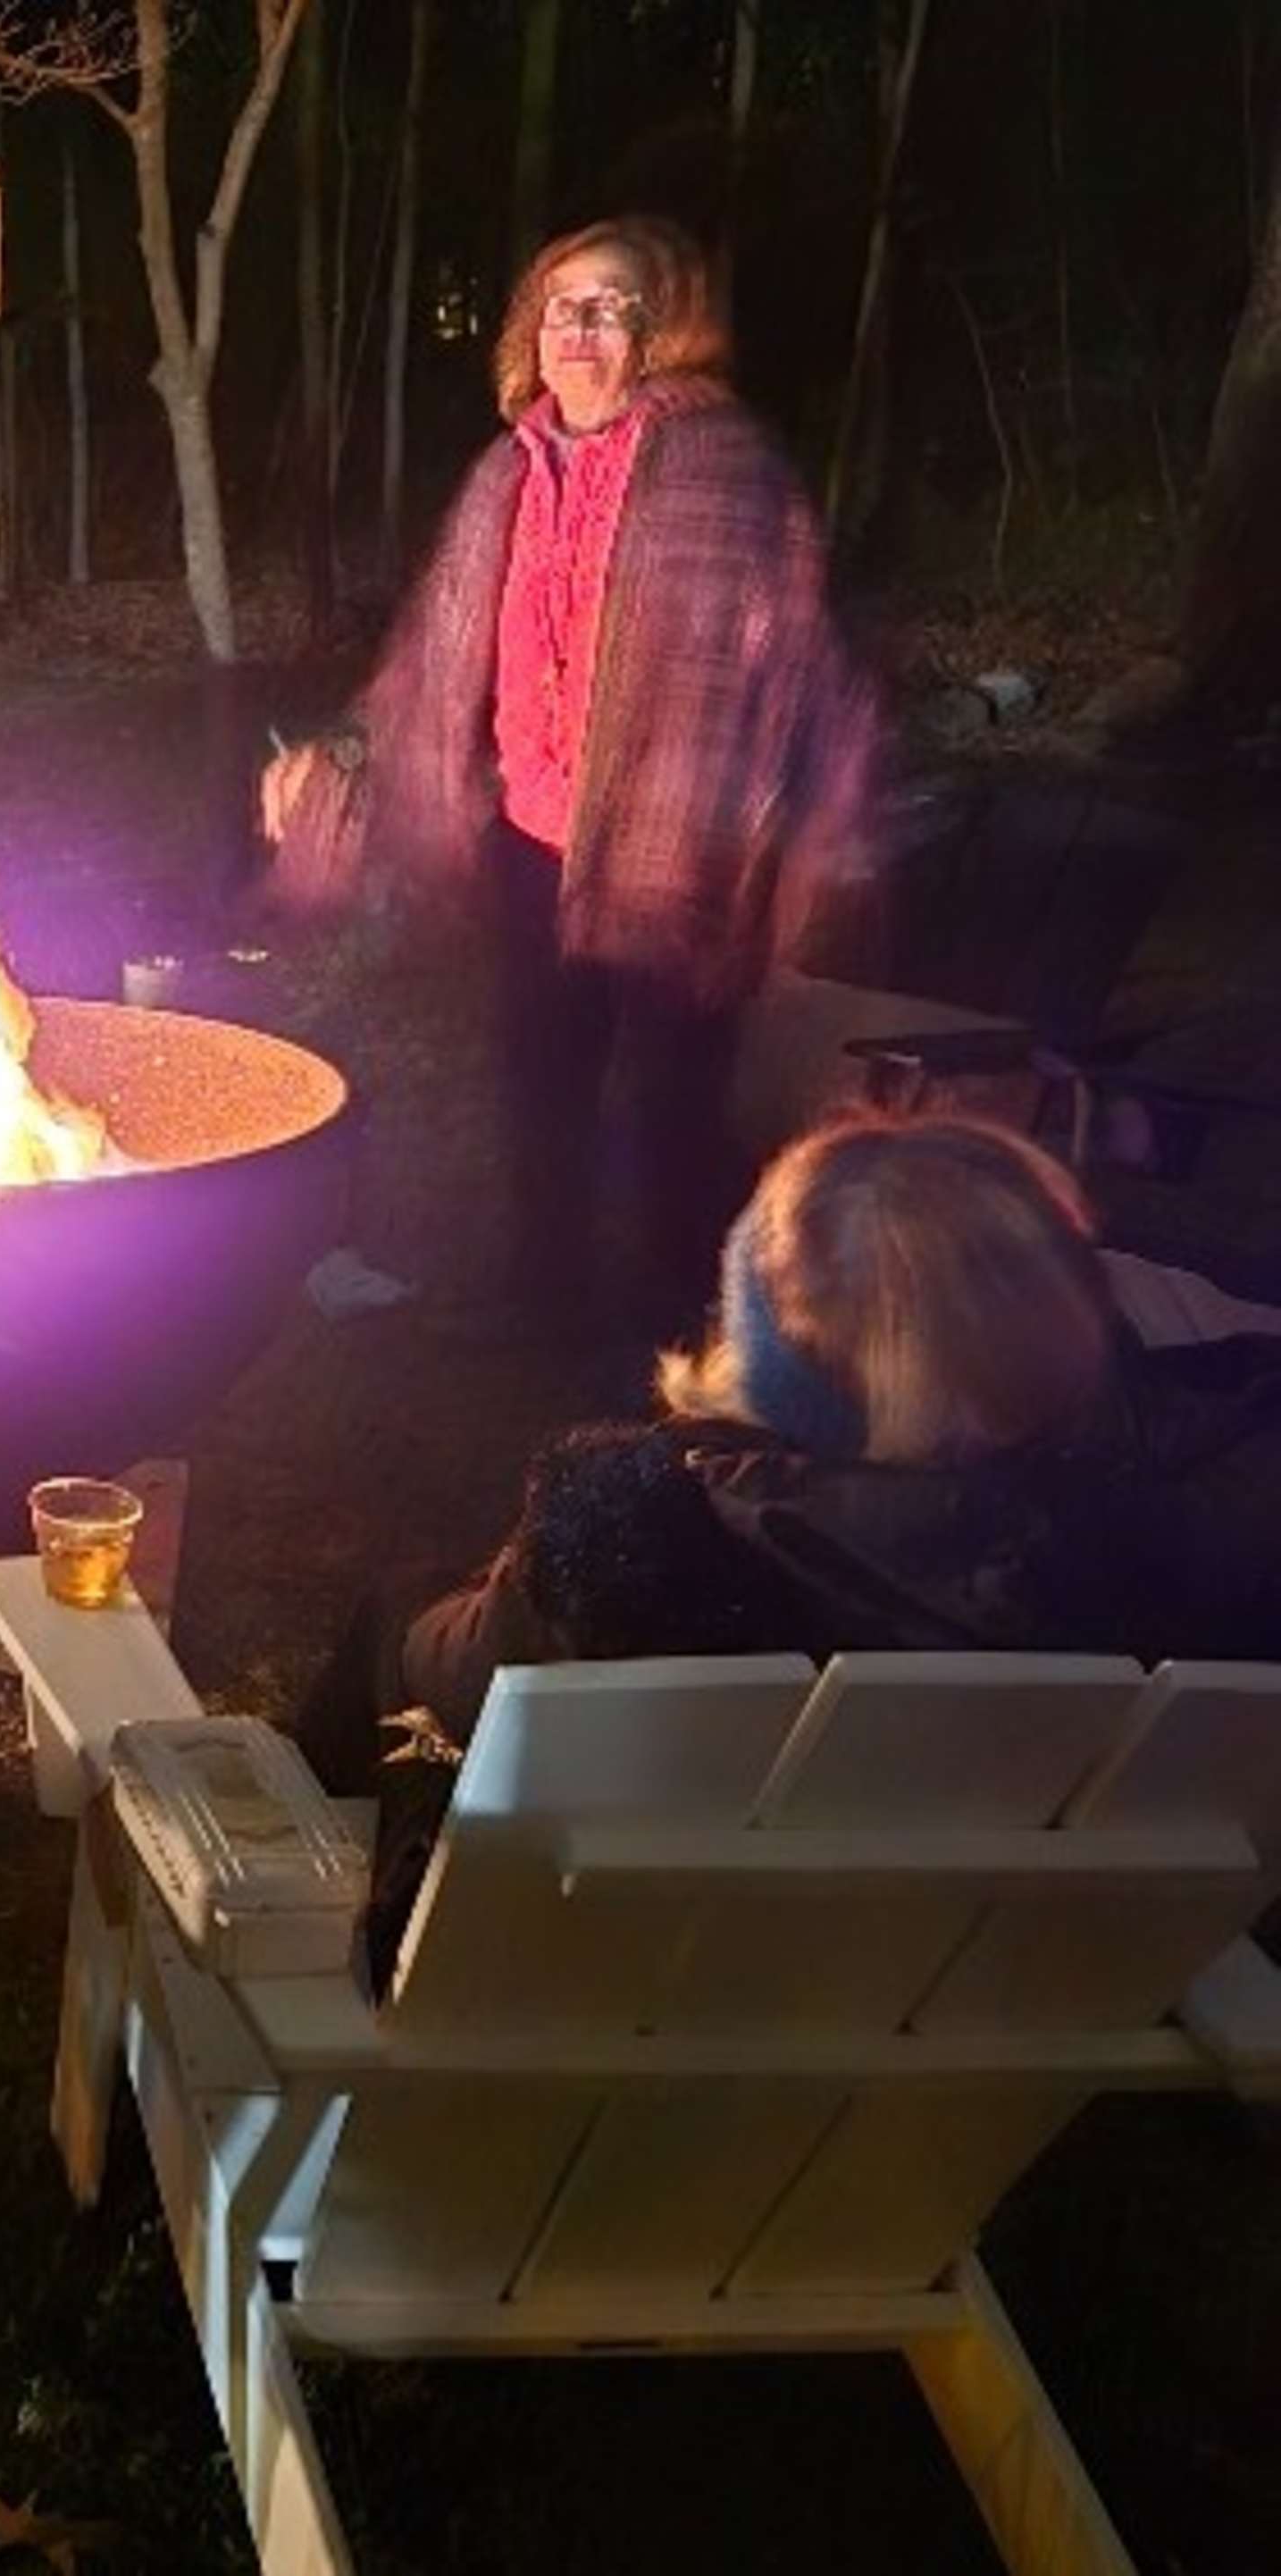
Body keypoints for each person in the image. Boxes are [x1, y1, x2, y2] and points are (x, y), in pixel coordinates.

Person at [294, 1112, 1281, 1983]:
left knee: (402, 1620)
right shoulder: (1184, 1562)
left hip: (619, 1980)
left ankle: (284, 1876)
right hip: (963, 1996)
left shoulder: (637, 1550)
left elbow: (453, 1685)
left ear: (770, 1362)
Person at [261, 215, 879, 1336]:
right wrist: (348, 748)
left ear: (656, 332)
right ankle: (545, 1300)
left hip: (675, 841)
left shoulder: (719, 468)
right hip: (533, 835)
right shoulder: (508, 470)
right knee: (540, 1080)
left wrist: (824, 824)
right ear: (528, 330)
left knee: (675, 1101)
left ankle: (697, 1325)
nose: (578, 331)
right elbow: (437, 647)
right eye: (559, 307)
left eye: (608, 309)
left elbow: (795, 652)